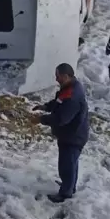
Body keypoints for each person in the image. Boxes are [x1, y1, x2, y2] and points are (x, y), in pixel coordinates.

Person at [30, 63, 89, 203]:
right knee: (71, 164)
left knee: (66, 166)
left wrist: (40, 119)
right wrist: (45, 107)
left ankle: (65, 193)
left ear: (66, 76)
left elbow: (61, 118)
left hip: (72, 137)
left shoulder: (72, 96)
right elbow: (58, 102)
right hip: (71, 135)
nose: (56, 79)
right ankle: (70, 186)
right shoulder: (69, 87)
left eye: (58, 76)